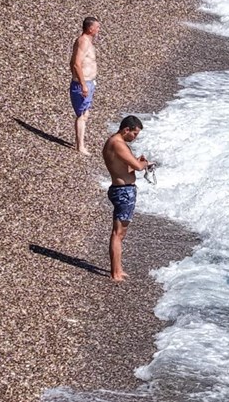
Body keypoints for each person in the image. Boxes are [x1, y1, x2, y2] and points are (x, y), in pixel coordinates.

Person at [102, 115, 155, 281]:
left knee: (120, 233)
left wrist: (137, 161)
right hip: (123, 192)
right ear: (126, 130)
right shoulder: (117, 143)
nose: (135, 137)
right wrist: (145, 163)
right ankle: (115, 273)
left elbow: (127, 166)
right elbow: (138, 167)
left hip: (121, 189)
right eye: (135, 134)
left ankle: (118, 269)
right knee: (118, 233)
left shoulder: (114, 142)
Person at [70, 16, 100, 155]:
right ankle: (80, 146)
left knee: (85, 113)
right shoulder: (83, 42)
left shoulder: (88, 41)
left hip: (89, 82)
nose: (98, 29)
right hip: (83, 84)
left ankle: (80, 143)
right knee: (82, 114)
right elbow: (76, 63)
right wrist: (82, 84)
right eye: (97, 27)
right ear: (90, 28)